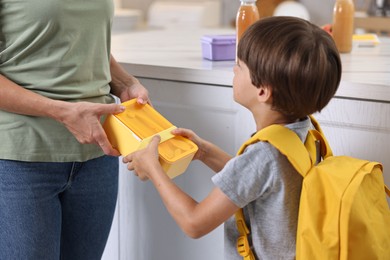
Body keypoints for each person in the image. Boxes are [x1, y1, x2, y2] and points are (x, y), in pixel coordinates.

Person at [123, 16, 341, 259]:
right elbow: (260, 181)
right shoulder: (307, 132)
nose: (233, 70)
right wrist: (205, 152)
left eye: (239, 65)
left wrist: (154, 169)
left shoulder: (263, 155)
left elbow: (194, 222)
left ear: (262, 90)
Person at [0, 1, 149, 260]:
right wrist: (60, 111)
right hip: (20, 159)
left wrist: (126, 83)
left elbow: (83, 40)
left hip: (97, 157)